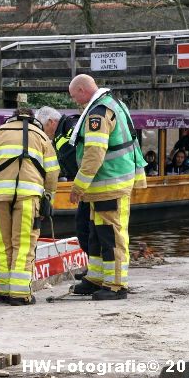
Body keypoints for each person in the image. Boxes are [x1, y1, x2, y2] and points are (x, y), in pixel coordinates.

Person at [68, 74, 147, 300]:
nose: (75, 102)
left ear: (83, 90)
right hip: (108, 183)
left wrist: (78, 186)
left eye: (75, 97)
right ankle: (97, 277)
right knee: (97, 232)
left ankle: (115, 285)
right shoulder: (114, 104)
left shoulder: (97, 113)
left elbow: (94, 153)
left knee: (112, 236)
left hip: (108, 183)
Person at [0, 108, 60, 305]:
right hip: (29, 197)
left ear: (11, 118)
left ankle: (4, 290)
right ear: (33, 119)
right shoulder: (42, 137)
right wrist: (48, 198)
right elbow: (53, 171)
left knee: (3, 244)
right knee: (24, 244)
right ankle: (20, 294)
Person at [36, 106, 89, 276]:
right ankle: (93, 269)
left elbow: (83, 154)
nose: (43, 132)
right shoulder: (59, 134)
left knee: (87, 226)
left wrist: (80, 184)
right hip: (81, 182)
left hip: (88, 184)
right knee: (83, 226)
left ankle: (95, 270)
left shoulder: (69, 127)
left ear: (51, 122)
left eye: (43, 127)